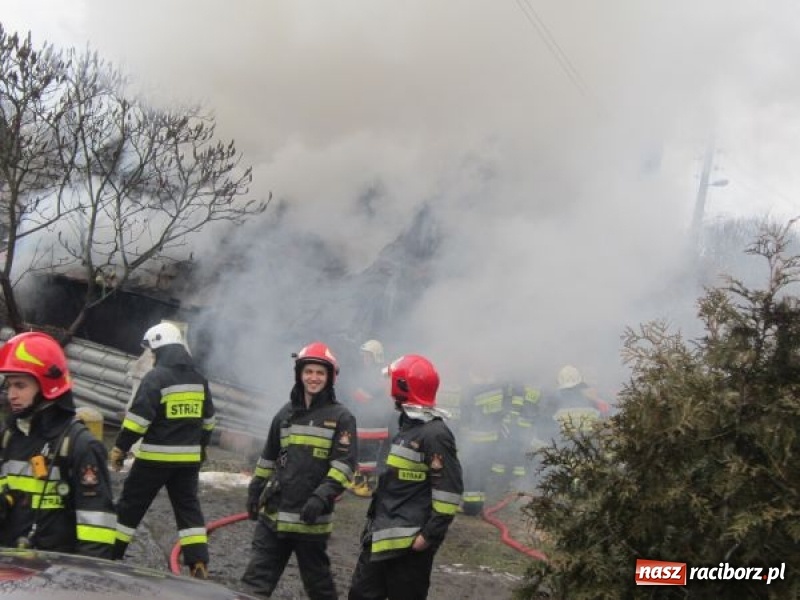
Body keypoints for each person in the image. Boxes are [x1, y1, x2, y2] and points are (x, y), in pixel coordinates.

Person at [242, 341, 357, 599]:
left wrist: (321, 496)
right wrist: (255, 490)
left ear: (330, 377)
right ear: (299, 374)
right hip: (274, 516)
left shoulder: (341, 418)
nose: (313, 378)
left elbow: (344, 465)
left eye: (320, 373)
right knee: (254, 582)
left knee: (319, 587)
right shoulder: (285, 414)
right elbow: (269, 457)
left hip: (310, 521)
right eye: (308, 372)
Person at [348, 354, 463, 600]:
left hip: (410, 544)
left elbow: (449, 493)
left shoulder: (435, 434)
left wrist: (427, 536)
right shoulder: (403, 425)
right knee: (360, 595)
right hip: (381, 533)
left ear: (402, 386)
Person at [110, 322, 216, 579]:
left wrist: (120, 448)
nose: (153, 357)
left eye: (153, 352)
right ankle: (198, 562)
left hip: (155, 459)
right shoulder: (198, 379)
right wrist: (200, 449)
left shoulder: (156, 378)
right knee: (188, 509)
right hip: (188, 462)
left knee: (130, 506)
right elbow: (209, 421)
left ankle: (111, 555)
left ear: (160, 347)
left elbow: (138, 421)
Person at [0, 331, 116, 557]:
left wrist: (83, 581)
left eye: (20, 386)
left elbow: (97, 527)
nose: (11, 395)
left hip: (54, 574)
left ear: (48, 385)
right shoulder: (9, 437)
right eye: (9, 386)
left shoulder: (79, 444)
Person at [459, 375, 540, 516]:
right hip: (492, 439)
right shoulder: (501, 389)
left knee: (474, 473)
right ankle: (477, 504)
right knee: (481, 473)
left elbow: (467, 417)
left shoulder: (475, 391)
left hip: (477, 439)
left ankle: (472, 507)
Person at [347, 339, 390, 497]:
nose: (364, 359)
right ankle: (359, 480)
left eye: (367, 356)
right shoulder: (369, 373)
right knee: (361, 451)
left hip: (376, 422)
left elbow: (369, 396)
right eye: (364, 356)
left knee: (370, 454)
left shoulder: (380, 374)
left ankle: (369, 485)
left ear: (375, 357)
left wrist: (355, 392)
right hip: (366, 420)